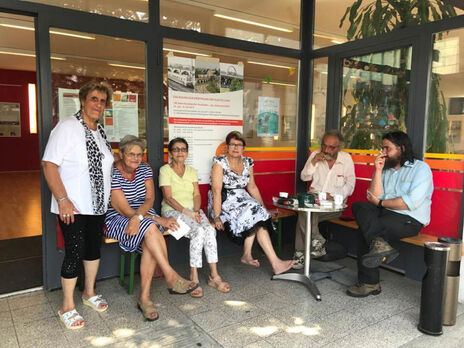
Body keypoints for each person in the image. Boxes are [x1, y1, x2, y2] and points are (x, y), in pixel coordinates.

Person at [42, 80, 114, 330]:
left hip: (97, 205)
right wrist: (62, 199)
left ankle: (89, 293)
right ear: (83, 100)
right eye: (94, 98)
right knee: (73, 253)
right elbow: (49, 164)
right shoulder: (67, 126)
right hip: (73, 206)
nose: (98, 104)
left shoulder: (99, 131)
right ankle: (67, 305)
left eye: (103, 101)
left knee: (93, 249)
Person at [104, 135, 198, 321]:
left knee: (150, 232)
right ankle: (168, 276)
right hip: (118, 218)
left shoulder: (145, 169)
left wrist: (145, 217)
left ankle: (145, 298)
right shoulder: (112, 173)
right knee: (152, 229)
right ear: (121, 154)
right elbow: (124, 209)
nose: (136, 158)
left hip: (144, 217)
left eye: (140, 154)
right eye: (131, 154)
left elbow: (149, 199)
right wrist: (156, 219)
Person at [346, 131, 433, 297]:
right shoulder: (386, 169)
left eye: (387, 148)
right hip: (385, 213)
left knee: (364, 231)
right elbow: (373, 197)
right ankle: (379, 244)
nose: (383, 152)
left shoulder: (421, 169)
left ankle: (369, 284)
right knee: (359, 206)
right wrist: (378, 171)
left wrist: (381, 203)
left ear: (401, 148)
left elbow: (409, 202)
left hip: (409, 219)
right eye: (382, 148)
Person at [208, 131, 296, 274]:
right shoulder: (219, 163)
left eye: (239, 145)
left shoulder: (248, 162)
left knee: (258, 211)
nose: (235, 148)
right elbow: (217, 191)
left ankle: (262, 259)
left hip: (242, 198)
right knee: (253, 209)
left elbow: (252, 187)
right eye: (232, 144)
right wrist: (217, 215)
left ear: (244, 148)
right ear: (227, 147)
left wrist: (264, 208)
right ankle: (261, 258)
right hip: (224, 200)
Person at [160, 138, 230, 298]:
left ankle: (214, 275)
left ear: (187, 152)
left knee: (209, 230)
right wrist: (188, 213)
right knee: (198, 231)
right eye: (176, 149)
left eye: (183, 149)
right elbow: (168, 198)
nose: (180, 152)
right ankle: (194, 276)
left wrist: (197, 211)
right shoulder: (165, 170)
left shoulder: (191, 171)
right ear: (170, 153)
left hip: (193, 211)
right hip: (172, 213)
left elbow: (197, 194)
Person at [292, 130, 355, 269]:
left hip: (334, 205)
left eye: (331, 147)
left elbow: (350, 186)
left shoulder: (346, 159)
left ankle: (300, 254)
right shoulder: (315, 155)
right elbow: (304, 177)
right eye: (324, 146)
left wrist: (333, 196)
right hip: (314, 200)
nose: (326, 150)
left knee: (305, 213)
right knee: (307, 210)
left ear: (339, 147)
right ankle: (318, 242)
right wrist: (314, 162)